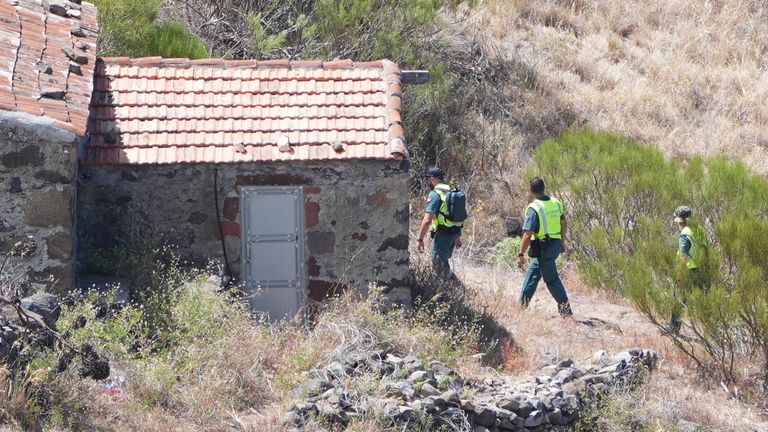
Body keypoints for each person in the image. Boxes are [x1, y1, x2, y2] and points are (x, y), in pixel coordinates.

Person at [516, 177, 573, 317]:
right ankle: (521, 306)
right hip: (554, 246)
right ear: (543, 188)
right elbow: (563, 223)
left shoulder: (534, 208)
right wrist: (562, 241)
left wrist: (521, 254)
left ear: (531, 190)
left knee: (552, 280)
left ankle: (566, 313)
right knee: (533, 273)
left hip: (544, 248)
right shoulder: (555, 202)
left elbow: (528, 234)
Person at [416, 167, 463, 275]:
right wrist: (457, 237)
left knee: (439, 267)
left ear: (432, 178)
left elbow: (427, 220)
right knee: (443, 263)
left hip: (443, 235)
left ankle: (452, 289)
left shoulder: (435, 194)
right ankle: (451, 288)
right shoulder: (453, 191)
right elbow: (457, 215)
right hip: (453, 233)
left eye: (428, 178)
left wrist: (419, 240)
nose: (428, 181)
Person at [669, 208, 707, 332]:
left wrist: (680, 276)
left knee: (678, 299)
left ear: (680, 221)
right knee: (704, 301)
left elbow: (683, 257)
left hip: (688, 271)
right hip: (702, 270)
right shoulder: (700, 230)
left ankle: (673, 329)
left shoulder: (685, 234)